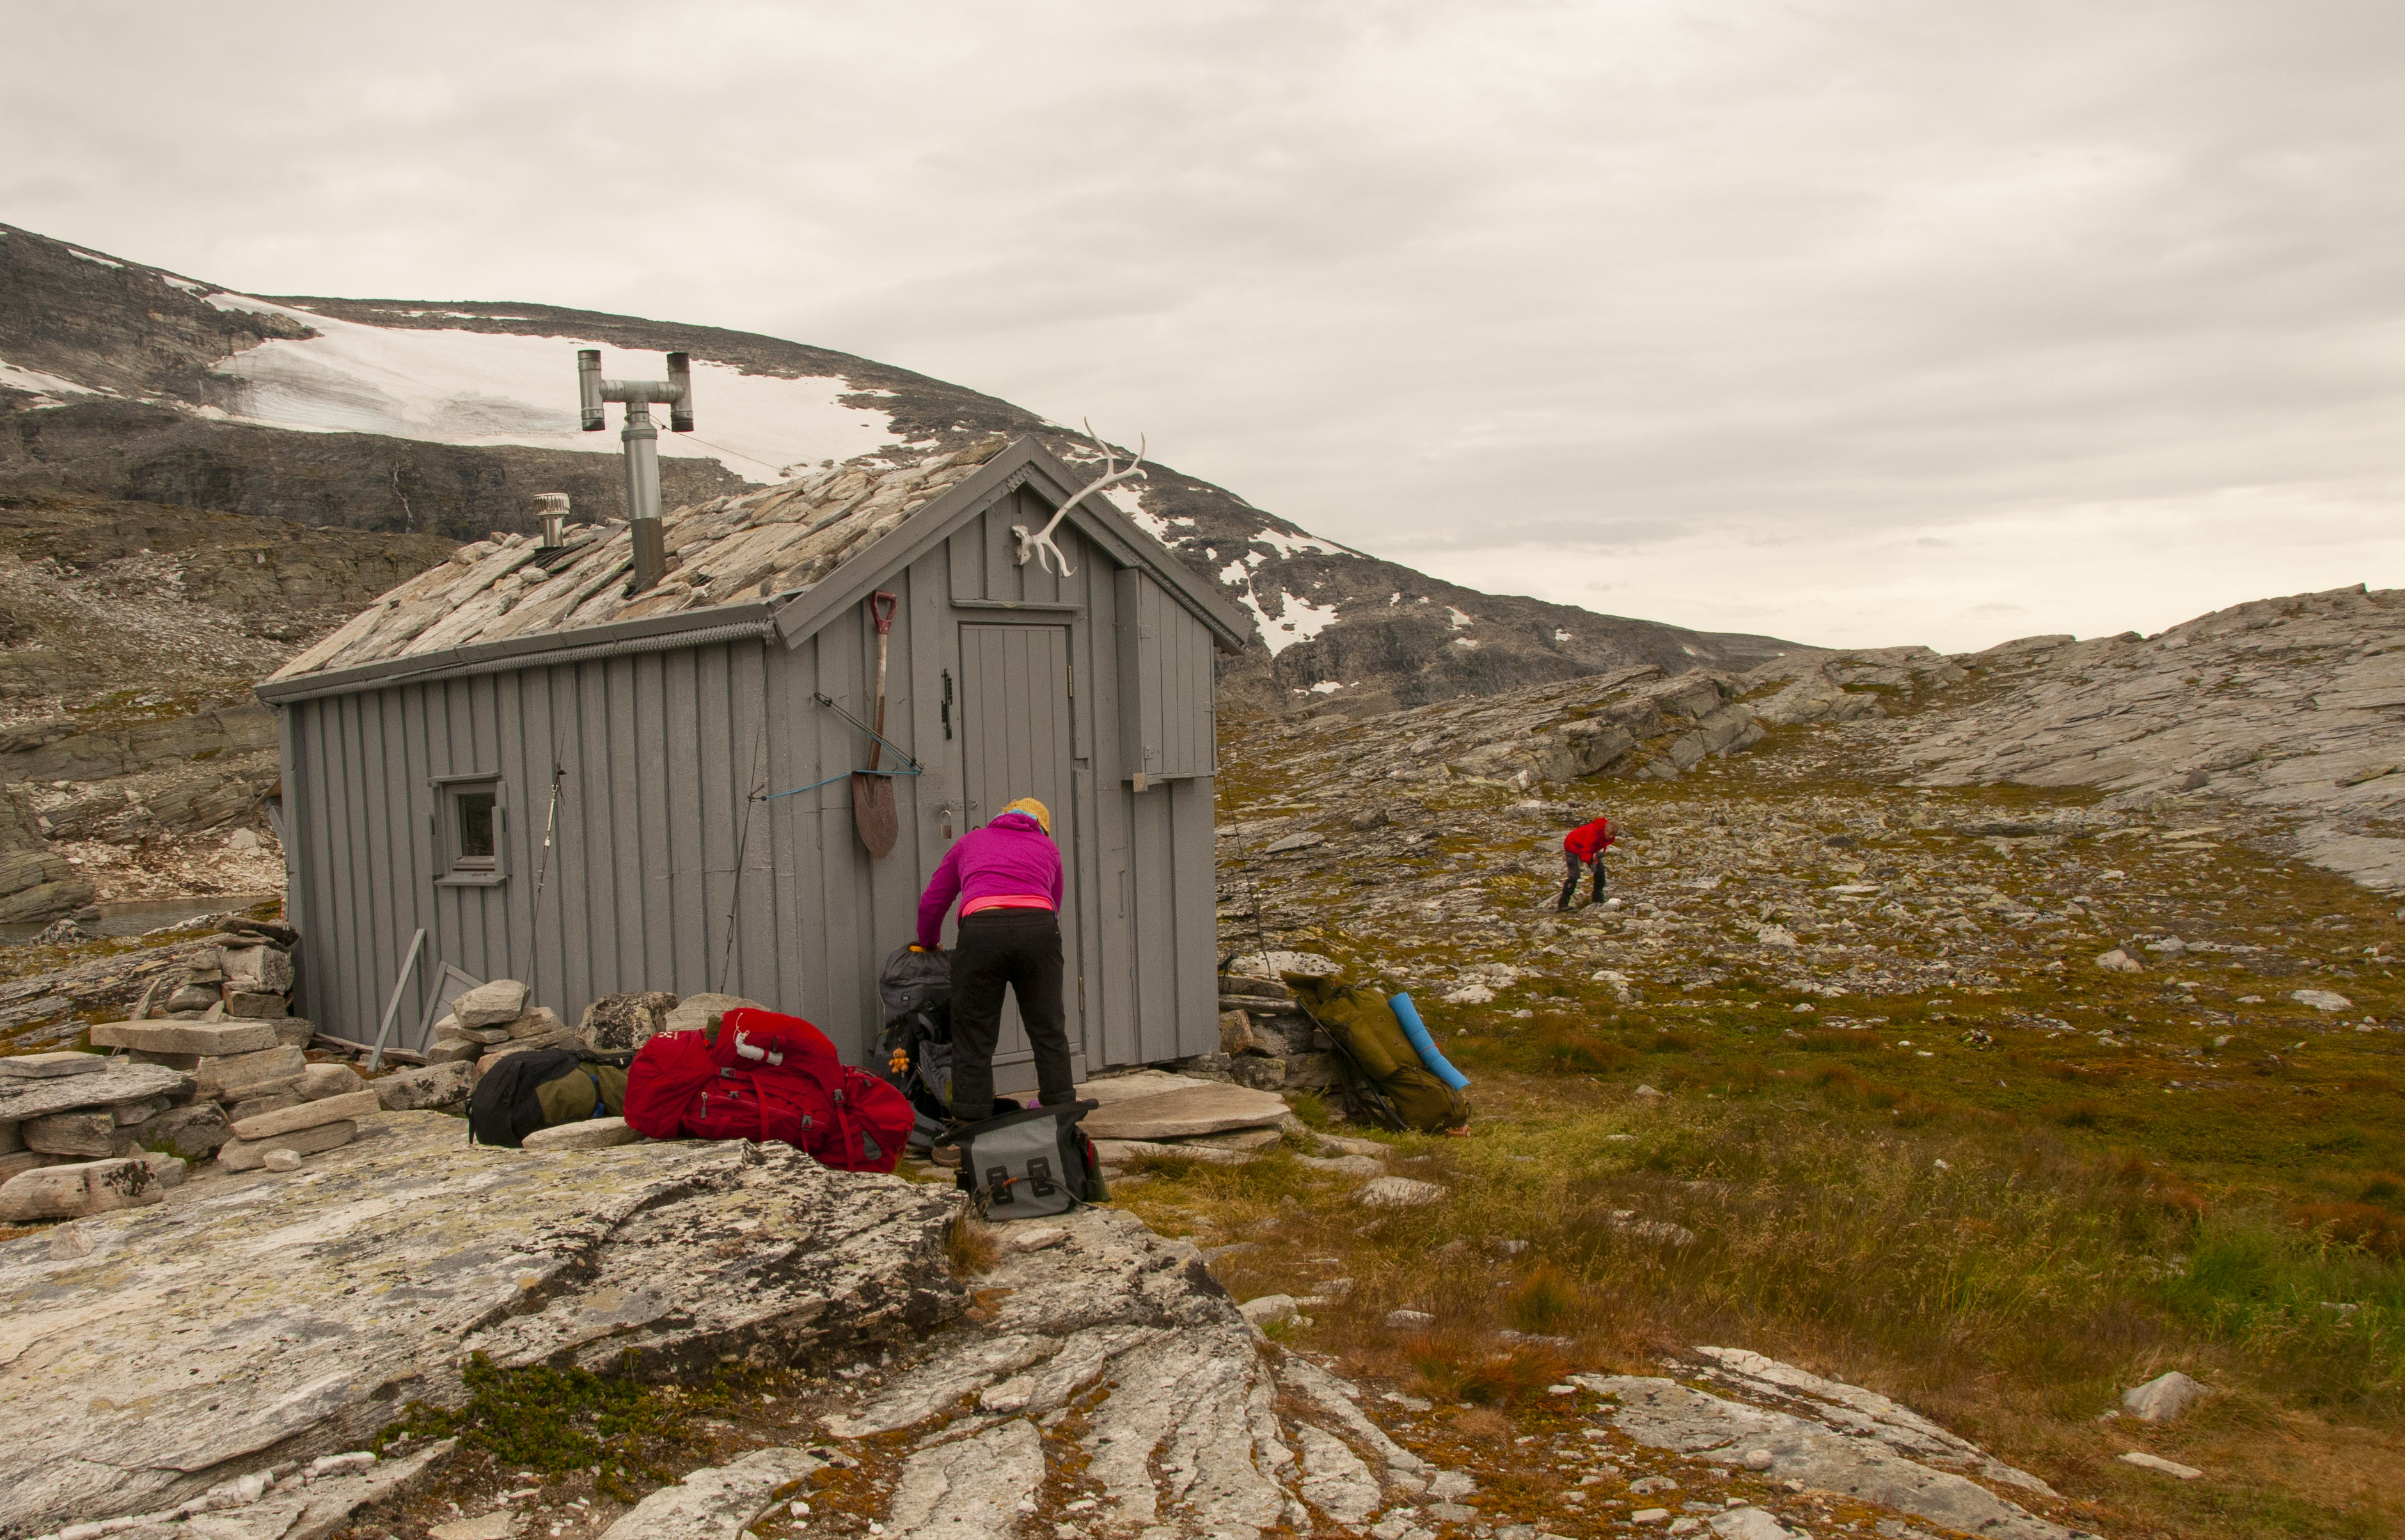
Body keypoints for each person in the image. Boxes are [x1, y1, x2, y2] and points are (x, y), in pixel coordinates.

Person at [913, 796, 1071, 1160]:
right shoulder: (1048, 848)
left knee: (973, 1034)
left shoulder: (971, 842)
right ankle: (1062, 1120)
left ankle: (967, 1136)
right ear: (1041, 827)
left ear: (1001, 817)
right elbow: (1054, 905)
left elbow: (933, 901)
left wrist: (928, 941)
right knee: (1048, 1029)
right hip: (1039, 932)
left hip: (981, 932)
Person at [1559, 813, 1616, 909]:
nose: (1611, 837)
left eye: (1613, 835)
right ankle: (1563, 904)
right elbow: (1585, 852)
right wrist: (1591, 859)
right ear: (1605, 830)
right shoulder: (1593, 834)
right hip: (1572, 846)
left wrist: (1594, 856)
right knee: (1574, 875)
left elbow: (1592, 848)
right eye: (1610, 834)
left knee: (1600, 870)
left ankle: (1597, 899)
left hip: (1587, 848)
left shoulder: (1606, 835)